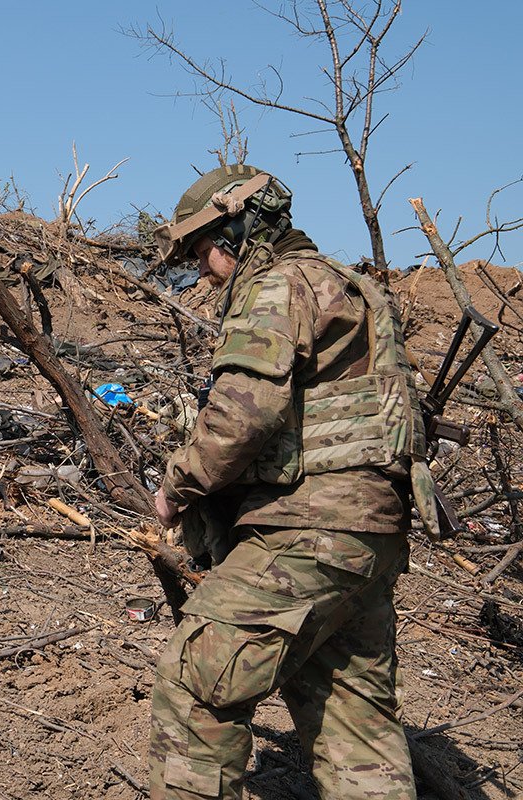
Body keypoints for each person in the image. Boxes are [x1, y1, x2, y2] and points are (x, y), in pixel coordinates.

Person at [145, 164, 431, 800]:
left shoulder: (277, 287)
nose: (201, 272)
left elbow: (242, 417)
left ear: (237, 233)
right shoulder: (352, 288)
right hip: (372, 538)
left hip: (311, 532)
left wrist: (176, 488)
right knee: (354, 720)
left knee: (196, 684)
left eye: (201, 253)